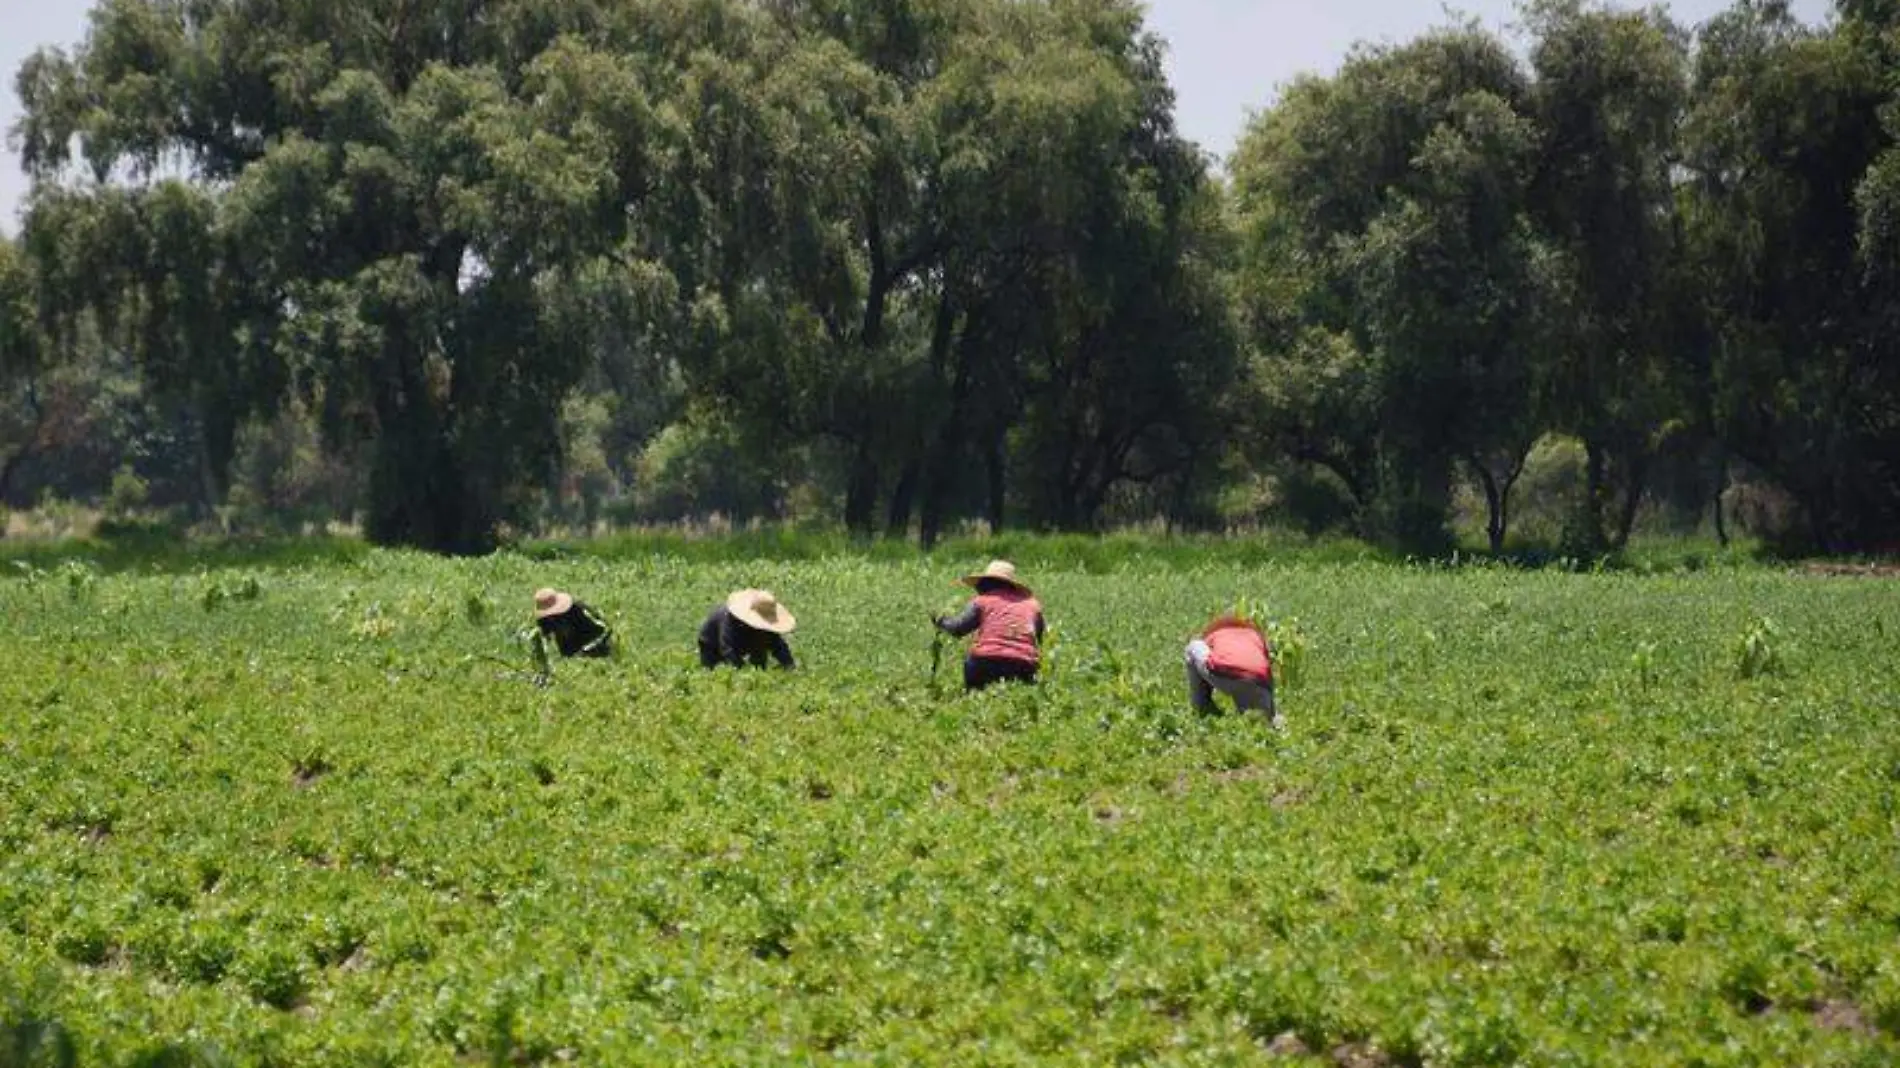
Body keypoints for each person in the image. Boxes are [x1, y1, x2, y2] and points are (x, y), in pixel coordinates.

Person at [932, 560, 1044, 691]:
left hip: (985, 662)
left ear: (986, 583)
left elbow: (958, 629)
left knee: (975, 688)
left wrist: (941, 622)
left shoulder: (982, 601)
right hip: (1024, 665)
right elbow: (1041, 639)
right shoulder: (1032, 606)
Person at [1186, 612, 1278, 727]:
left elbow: (1206, 661)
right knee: (1262, 725)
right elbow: (1267, 670)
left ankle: (1202, 707)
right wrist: (1271, 710)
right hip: (1258, 682)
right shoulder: (1255, 636)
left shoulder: (1214, 634)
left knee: (1194, 645)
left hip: (1224, 674)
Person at [699, 589, 797, 669]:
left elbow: (778, 645)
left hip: (746, 638)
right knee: (712, 670)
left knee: (760, 654)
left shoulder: (765, 631)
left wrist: (789, 664)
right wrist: (741, 671)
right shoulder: (731, 619)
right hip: (711, 643)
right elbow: (727, 648)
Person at [532, 587, 613, 658]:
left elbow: (607, 629)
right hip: (571, 652)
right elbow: (545, 637)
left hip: (596, 642)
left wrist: (587, 649)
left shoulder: (578, 608)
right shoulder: (545, 619)